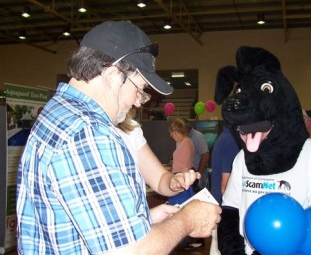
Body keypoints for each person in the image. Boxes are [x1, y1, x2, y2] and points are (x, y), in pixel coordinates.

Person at [16, 20, 221, 255]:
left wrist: (144, 220)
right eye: (139, 88)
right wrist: (187, 220)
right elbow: (129, 251)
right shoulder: (89, 133)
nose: (137, 100)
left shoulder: (58, 113)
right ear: (113, 75)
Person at [209, 125, 241, 255]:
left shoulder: (224, 137)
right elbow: (225, 185)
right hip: (225, 207)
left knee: (216, 246)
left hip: (219, 205)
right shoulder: (232, 140)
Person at [168, 118, 195, 205]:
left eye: (171, 133)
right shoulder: (186, 142)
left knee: (178, 206)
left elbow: (185, 166)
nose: (171, 136)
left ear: (175, 132)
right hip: (182, 179)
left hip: (181, 180)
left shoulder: (186, 143)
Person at [183, 118, 210, 191]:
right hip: (191, 173)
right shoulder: (185, 137)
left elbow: (205, 155)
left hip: (199, 172)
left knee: (200, 196)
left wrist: (198, 173)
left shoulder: (197, 136)